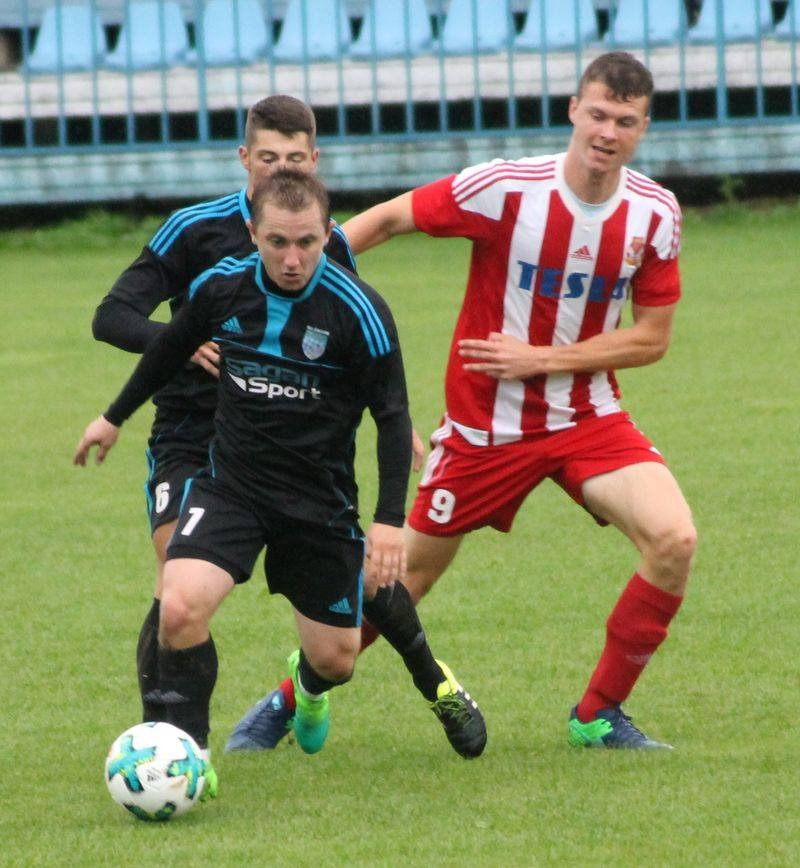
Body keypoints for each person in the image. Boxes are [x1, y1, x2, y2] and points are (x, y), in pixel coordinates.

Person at [244, 51, 697, 750]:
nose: (608, 132)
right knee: (400, 581)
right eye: (599, 114)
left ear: (643, 128)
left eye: (626, 121)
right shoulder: (507, 189)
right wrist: (306, 288)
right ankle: (292, 694)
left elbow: (652, 337)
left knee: (674, 540)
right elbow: (389, 219)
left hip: (588, 418)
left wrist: (541, 360)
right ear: (574, 110)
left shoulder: (655, 214)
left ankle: (598, 714)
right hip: (486, 429)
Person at [92, 96, 483, 759]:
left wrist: (395, 432)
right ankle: (169, 749)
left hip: (306, 457)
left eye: (295, 160)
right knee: (177, 592)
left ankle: (417, 676)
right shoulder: (202, 242)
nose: (281, 173)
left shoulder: (334, 269)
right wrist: (159, 367)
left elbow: (371, 370)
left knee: (347, 629)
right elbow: (116, 319)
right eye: (268, 159)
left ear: (314, 168)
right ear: (246, 163)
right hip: (199, 439)